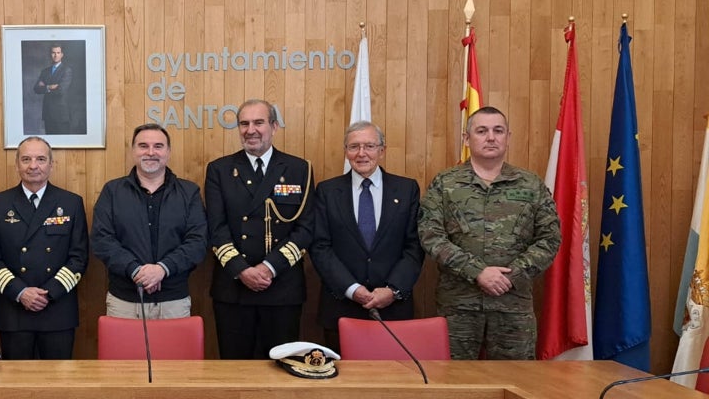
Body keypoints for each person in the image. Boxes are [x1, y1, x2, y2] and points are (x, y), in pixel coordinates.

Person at [418, 106, 561, 360]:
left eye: (498, 131)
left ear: (508, 137)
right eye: (482, 131)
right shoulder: (445, 183)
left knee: (516, 383)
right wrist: (478, 272)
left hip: (513, 306)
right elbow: (430, 235)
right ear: (467, 138)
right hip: (458, 307)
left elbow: (549, 239)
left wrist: (511, 275)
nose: (491, 137)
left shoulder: (531, 184)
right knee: (454, 383)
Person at [205, 99, 314, 358]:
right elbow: (216, 228)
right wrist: (242, 271)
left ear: (274, 127)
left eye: (258, 122)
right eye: (244, 123)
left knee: (282, 370)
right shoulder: (220, 170)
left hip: (282, 288)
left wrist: (268, 268)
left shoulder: (299, 169)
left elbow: (306, 229)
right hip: (234, 288)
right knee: (235, 368)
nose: (250, 130)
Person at [309, 121, 424, 352]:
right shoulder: (327, 191)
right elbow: (320, 246)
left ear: (382, 150)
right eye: (354, 147)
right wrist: (352, 289)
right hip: (341, 305)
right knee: (343, 384)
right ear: (346, 152)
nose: (361, 153)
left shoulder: (406, 189)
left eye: (369, 146)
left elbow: (414, 246)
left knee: (393, 382)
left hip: (394, 308)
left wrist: (392, 290)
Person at [0, 137, 88, 359]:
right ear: (17, 164)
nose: (33, 166)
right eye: (26, 159)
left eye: (41, 159)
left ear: (51, 164)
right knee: (16, 384)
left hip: (57, 308)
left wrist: (48, 294)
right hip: (14, 308)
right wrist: (21, 292)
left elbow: (78, 257)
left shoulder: (70, 203)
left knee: (59, 384)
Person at [91, 123, 207, 319]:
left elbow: (198, 242)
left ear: (168, 152)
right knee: (124, 352)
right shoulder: (112, 191)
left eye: (158, 146)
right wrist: (135, 270)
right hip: (124, 302)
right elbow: (102, 240)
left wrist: (163, 269)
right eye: (143, 146)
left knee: (173, 352)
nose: (151, 152)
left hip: (174, 303)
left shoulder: (189, 192)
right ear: (133, 150)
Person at [33, 44, 74, 134]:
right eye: (53, 53)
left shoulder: (67, 70)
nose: (55, 55)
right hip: (48, 114)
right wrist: (49, 87)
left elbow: (61, 91)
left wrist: (44, 86)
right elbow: (36, 89)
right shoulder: (45, 71)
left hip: (61, 115)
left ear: (62, 54)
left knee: (63, 144)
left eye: (58, 53)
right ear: (50, 54)